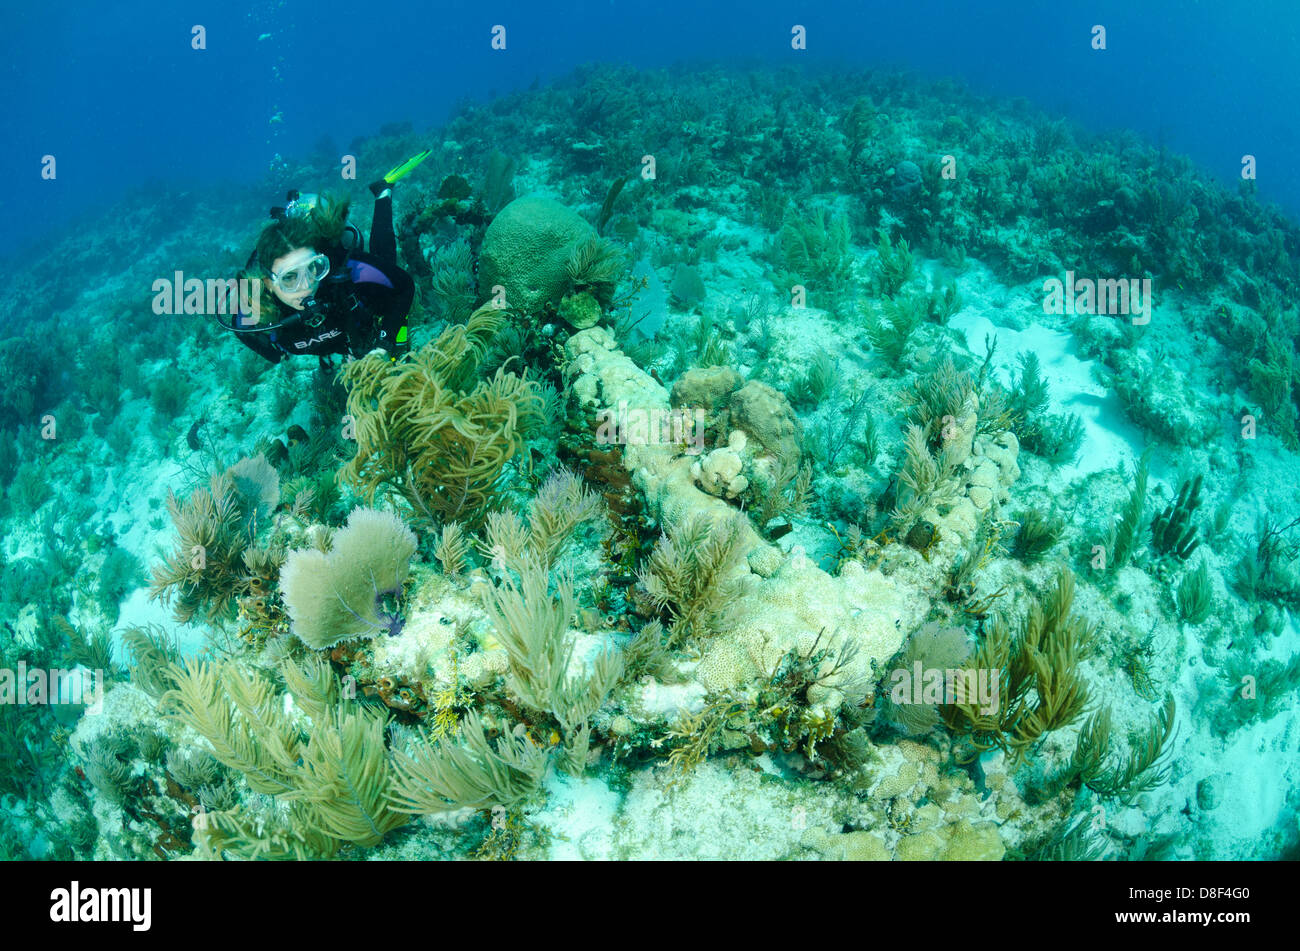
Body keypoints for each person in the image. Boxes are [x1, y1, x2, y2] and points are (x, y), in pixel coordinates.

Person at [222, 149, 431, 367]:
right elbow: (242, 330)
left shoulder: (340, 270)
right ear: (269, 284)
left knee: (385, 266)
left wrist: (383, 345)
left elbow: (404, 286)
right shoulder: (257, 307)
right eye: (290, 277)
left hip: (354, 325)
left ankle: (383, 192)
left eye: (313, 268)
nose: (307, 285)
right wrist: (275, 356)